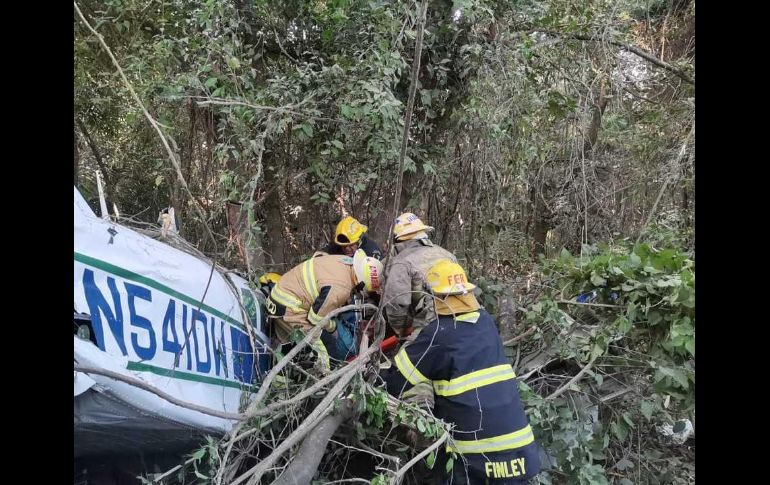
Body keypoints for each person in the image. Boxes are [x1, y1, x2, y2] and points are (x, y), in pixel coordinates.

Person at [382, 260, 541, 484]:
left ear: (436, 297)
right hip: (520, 452)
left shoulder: (439, 334)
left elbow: (395, 382)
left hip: (476, 459)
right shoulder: (486, 324)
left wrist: (372, 378)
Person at [266, 249, 383, 367]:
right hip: (291, 309)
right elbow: (315, 319)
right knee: (322, 355)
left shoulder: (344, 261)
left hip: (278, 296)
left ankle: (280, 369)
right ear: (360, 283)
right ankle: (322, 377)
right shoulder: (341, 289)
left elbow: (318, 256)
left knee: (288, 345)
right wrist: (333, 327)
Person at [381, 213, 456, 337]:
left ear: (397, 240)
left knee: (407, 350)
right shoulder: (447, 255)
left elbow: (397, 305)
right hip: (459, 318)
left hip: (429, 326)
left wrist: (401, 332)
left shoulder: (401, 262)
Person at [318, 215, 383, 260]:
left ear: (359, 241)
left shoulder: (371, 251)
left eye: (351, 245)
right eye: (344, 246)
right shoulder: (338, 244)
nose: (347, 249)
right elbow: (324, 252)